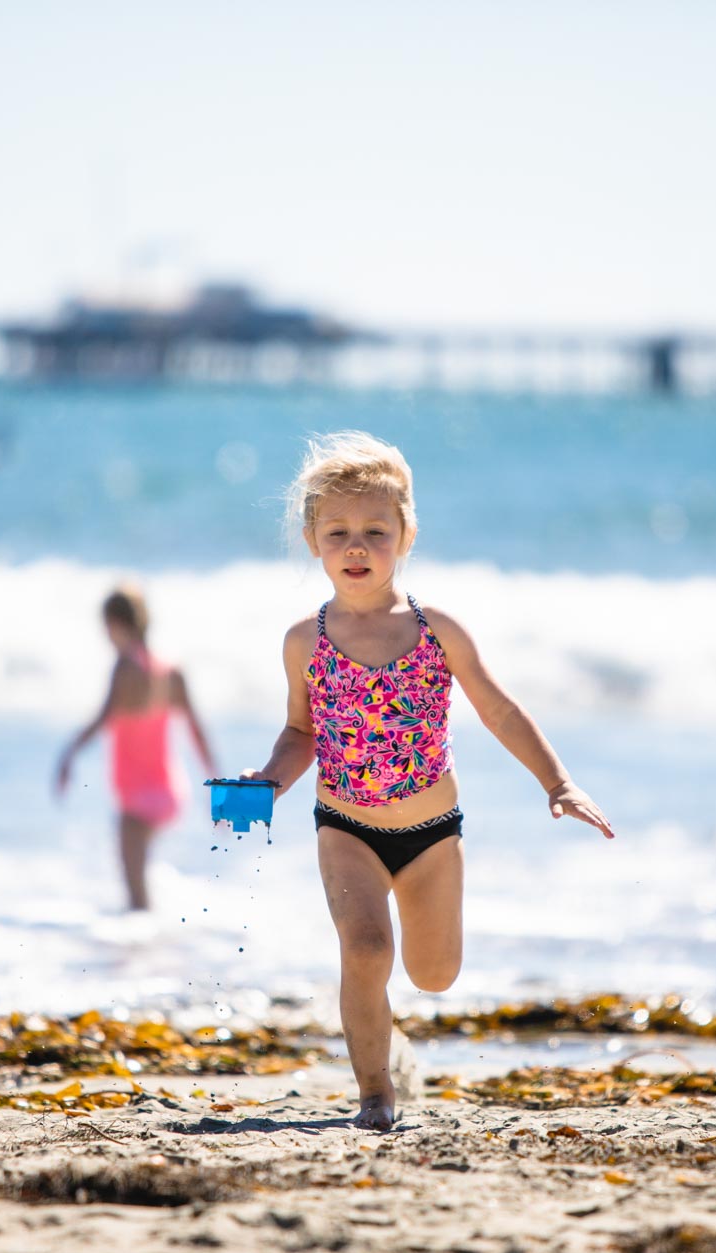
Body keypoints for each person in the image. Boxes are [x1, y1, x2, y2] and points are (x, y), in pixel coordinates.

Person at [243, 432, 615, 1130]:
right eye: (339, 532)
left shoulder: (435, 630)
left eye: (376, 531)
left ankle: (394, 1045)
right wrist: (268, 780)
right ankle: (375, 1093)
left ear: (407, 535)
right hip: (344, 827)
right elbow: (302, 733)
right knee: (366, 951)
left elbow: (501, 710)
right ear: (311, 540)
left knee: (434, 973)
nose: (357, 546)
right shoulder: (305, 640)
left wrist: (558, 783)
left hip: (430, 836)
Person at [55, 586, 217, 912]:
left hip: (136, 800)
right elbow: (196, 731)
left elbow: (102, 719)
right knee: (143, 891)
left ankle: (140, 955)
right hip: (169, 794)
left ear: (115, 624)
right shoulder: (170, 672)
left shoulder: (125, 668)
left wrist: (69, 753)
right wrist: (216, 784)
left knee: (136, 902)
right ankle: (158, 946)